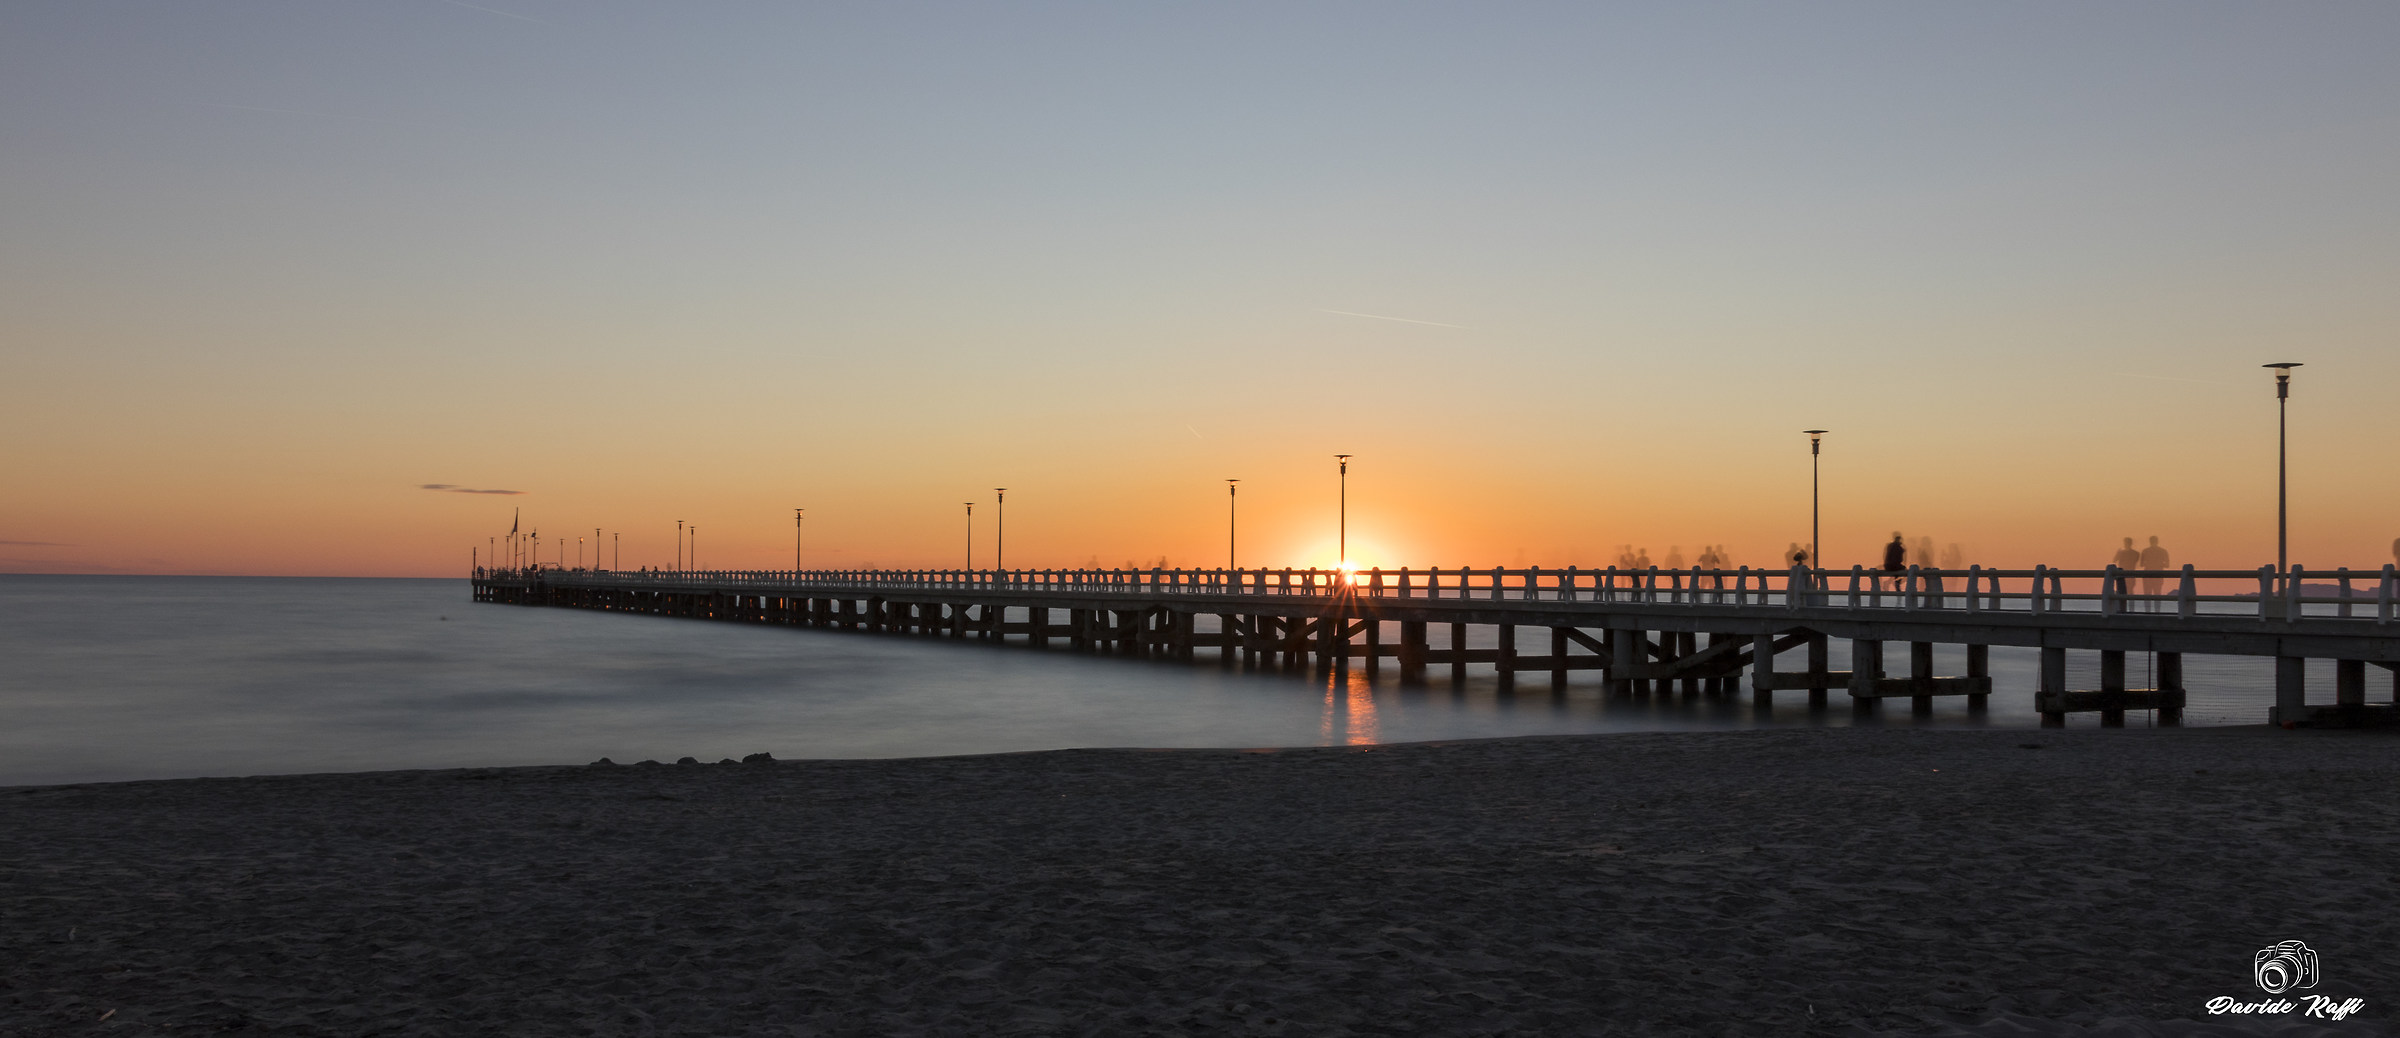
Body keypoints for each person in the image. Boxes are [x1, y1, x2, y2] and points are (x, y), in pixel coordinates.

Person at [2138, 536, 2171, 609]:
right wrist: (2159, 564)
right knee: (2157, 594)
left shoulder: (2145, 551)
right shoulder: (2163, 551)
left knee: (2147, 594)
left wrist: (2149, 563)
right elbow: (2167, 565)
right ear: (2157, 541)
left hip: (2147, 575)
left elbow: (2141, 564)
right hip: (2158, 575)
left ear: (2150, 542)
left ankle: (2147, 612)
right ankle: (2157, 611)